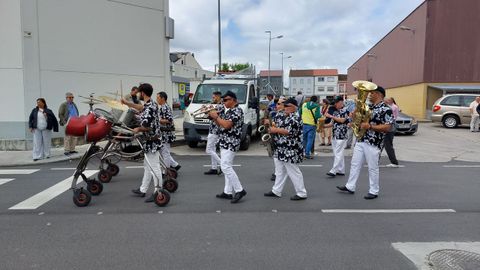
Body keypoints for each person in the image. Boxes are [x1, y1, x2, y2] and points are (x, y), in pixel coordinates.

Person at [336, 86, 393, 200]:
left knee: (372, 167)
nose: (369, 95)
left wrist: (370, 126)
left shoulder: (386, 109)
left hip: (373, 142)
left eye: (371, 93)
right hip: (361, 139)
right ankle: (350, 186)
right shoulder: (368, 107)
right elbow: (359, 121)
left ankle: (374, 190)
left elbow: (388, 127)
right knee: (355, 164)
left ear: (378, 94)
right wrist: (354, 117)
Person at [123, 83, 163, 203]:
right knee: (147, 166)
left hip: (153, 141)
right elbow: (140, 108)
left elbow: (147, 127)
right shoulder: (150, 103)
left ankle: (158, 192)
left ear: (143, 93)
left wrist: (137, 129)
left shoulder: (150, 107)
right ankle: (143, 189)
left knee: (155, 167)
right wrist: (127, 103)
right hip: (150, 141)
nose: (139, 94)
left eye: (140, 92)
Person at [264, 97, 307, 200]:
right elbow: (274, 124)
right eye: (285, 105)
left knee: (294, 171)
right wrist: (268, 124)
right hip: (281, 148)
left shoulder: (296, 117)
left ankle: (301, 193)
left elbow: (289, 132)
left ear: (295, 107)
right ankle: (276, 190)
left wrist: (275, 129)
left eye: (288, 106)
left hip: (291, 149)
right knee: (280, 171)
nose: (285, 107)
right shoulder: (282, 115)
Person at [208, 91, 246, 204]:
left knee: (225, 167)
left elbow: (227, 125)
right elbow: (220, 123)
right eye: (223, 100)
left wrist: (216, 117)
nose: (224, 102)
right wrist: (213, 116)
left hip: (231, 142)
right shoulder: (227, 110)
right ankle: (228, 192)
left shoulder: (237, 111)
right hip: (224, 141)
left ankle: (240, 190)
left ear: (234, 100)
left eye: (226, 100)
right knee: (227, 166)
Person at [324, 96, 350, 177]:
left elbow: (342, 120)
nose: (335, 104)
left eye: (337, 102)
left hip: (342, 135)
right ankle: (341, 170)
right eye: (335, 103)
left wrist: (330, 116)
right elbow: (332, 123)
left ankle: (333, 170)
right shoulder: (335, 112)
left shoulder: (345, 111)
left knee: (338, 153)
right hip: (335, 135)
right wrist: (322, 126)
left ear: (341, 103)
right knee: (338, 154)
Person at [157, 91, 181, 172]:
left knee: (165, 153)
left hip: (166, 133)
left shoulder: (165, 107)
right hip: (164, 133)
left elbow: (169, 120)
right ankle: (175, 165)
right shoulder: (163, 107)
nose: (157, 100)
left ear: (163, 98)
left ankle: (166, 171)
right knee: (164, 151)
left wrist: (158, 120)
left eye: (158, 98)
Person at [204, 91, 224, 175]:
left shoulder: (221, 106)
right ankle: (214, 168)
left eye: (214, 97)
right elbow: (209, 117)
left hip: (215, 130)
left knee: (208, 150)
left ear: (218, 96)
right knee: (212, 149)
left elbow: (213, 115)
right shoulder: (217, 105)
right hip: (213, 129)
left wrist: (208, 110)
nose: (213, 99)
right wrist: (206, 110)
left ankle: (222, 165)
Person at [382, 97, 399, 167]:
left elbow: (390, 119)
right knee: (383, 145)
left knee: (388, 145)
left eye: (387, 101)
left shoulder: (390, 108)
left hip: (389, 129)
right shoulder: (388, 107)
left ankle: (394, 162)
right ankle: (374, 160)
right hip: (388, 128)